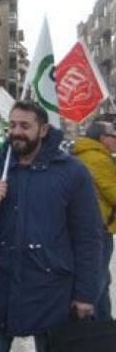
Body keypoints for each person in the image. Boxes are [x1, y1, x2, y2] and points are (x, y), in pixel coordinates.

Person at [0, 101, 102, 352]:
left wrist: (85, 294)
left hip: (52, 289)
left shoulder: (72, 172)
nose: (16, 132)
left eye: (24, 126)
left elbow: (88, 237)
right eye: (12, 125)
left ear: (42, 129)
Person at [71, 121, 116, 321]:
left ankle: (101, 322)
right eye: (113, 135)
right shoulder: (98, 159)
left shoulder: (82, 155)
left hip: (90, 227)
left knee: (99, 278)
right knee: (98, 280)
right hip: (100, 229)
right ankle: (99, 326)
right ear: (102, 138)